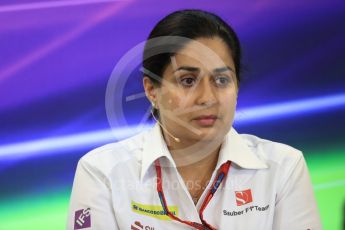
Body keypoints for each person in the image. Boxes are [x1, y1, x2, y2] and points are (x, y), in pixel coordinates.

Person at [67, 9, 322, 230]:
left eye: (221, 80)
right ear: (151, 90)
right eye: (188, 81)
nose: (208, 98)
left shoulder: (283, 168)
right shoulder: (102, 172)